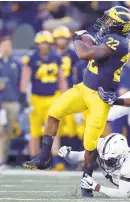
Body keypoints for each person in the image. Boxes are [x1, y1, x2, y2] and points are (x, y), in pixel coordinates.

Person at [23, 6, 130, 198]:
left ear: (119, 26)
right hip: (84, 88)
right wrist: (86, 38)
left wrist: (76, 38)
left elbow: (84, 54)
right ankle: (43, 158)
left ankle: (87, 181)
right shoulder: (112, 37)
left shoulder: (119, 42)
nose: (106, 22)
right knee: (54, 112)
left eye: (111, 21)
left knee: (90, 144)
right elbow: (94, 46)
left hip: (100, 98)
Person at [20, 30, 67, 160]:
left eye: (46, 43)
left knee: (53, 129)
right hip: (36, 98)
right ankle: (34, 157)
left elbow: (61, 78)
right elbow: (25, 78)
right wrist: (24, 97)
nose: (44, 46)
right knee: (34, 130)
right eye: (41, 43)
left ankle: (55, 158)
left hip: (52, 97)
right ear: (37, 44)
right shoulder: (31, 58)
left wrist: (65, 96)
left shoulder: (56, 58)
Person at [52, 26, 79, 170]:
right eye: (59, 38)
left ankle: (71, 159)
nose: (61, 41)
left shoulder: (72, 55)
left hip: (69, 93)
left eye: (63, 38)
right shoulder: (51, 55)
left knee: (72, 128)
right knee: (57, 128)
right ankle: (58, 160)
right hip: (54, 94)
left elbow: (76, 73)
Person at [0, 38, 21, 161]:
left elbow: (21, 82)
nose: (7, 48)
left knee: (9, 133)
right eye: (5, 45)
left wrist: (21, 100)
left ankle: (3, 158)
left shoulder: (16, 63)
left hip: (12, 102)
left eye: (9, 45)